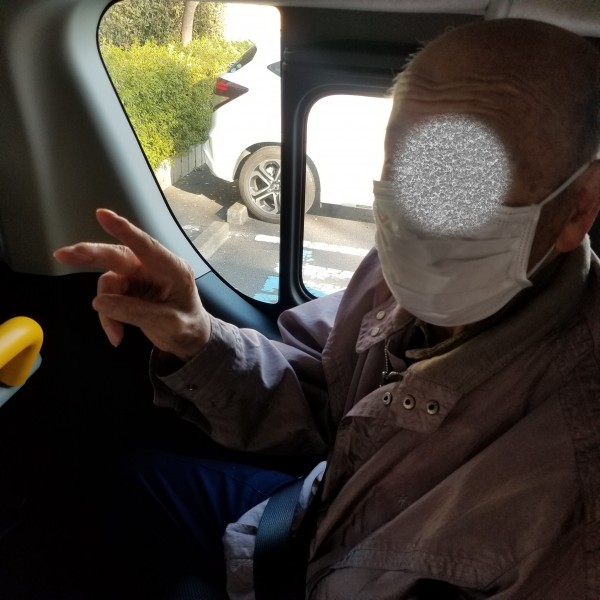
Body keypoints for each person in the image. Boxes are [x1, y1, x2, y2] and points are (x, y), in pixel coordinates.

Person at [54, 17, 600, 600]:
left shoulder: (575, 501)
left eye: (472, 178)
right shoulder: (391, 277)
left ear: (578, 208)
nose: (420, 214)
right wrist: (197, 338)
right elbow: (324, 401)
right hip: (314, 528)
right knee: (126, 480)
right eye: (405, 161)